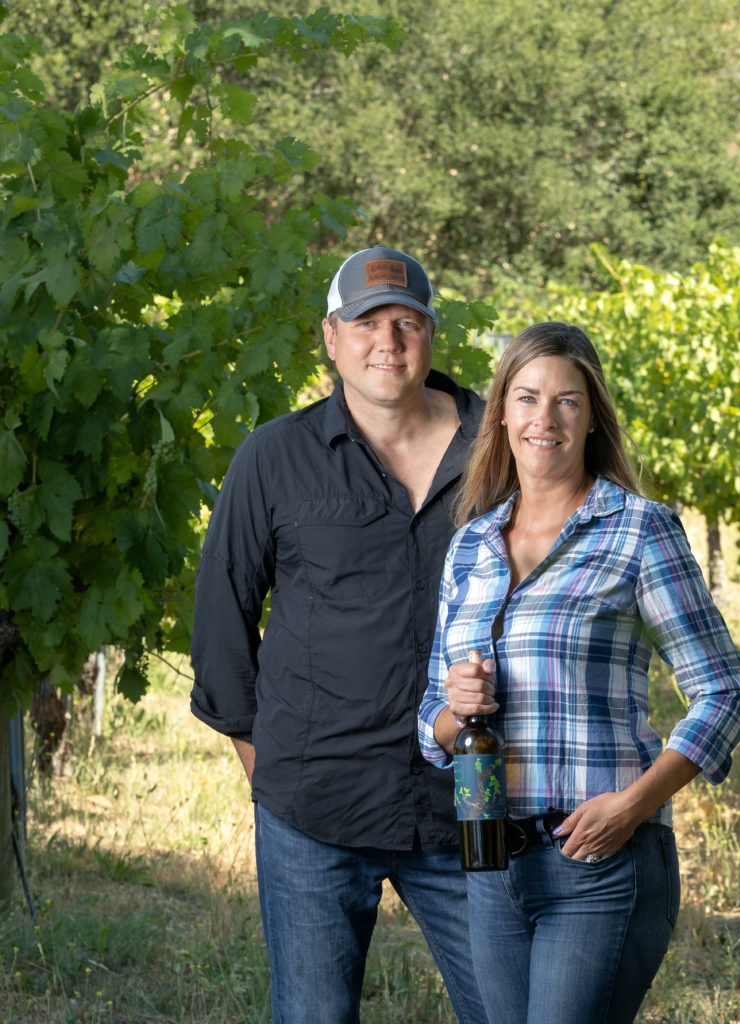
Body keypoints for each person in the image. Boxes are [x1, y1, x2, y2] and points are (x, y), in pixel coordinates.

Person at [418, 322, 740, 1024]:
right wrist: (456, 706)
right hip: (489, 864)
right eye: (527, 398)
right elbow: (432, 724)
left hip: (599, 862)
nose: (545, 420)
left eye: (566, 401)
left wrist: (632, 806)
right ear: (502, 412)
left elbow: (723, 691)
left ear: (592, 415)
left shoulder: (638, 530)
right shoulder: (471, 545)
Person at [190, 246, 488, 1024]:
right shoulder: (274, 457)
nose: (384, 341)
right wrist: (268, 766)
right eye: (364, 323)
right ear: (331, 337)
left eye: (405, 322)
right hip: (312, 809)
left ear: (430, 335)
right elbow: (222, 612)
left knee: (510, 1006)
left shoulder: (500, 450)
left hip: (473, 801)